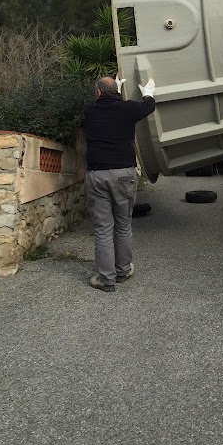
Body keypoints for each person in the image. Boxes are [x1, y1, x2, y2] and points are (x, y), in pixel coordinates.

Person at [84, 75, 156, 292]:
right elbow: (148, 106)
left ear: (97, 92)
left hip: (98, 176)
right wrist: (148, 92)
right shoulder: (128, 110)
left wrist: (115, 91)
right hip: (124, 174)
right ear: (117, 92)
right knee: (123, 225)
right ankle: (123, 271)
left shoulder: (89, 111)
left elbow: (106, 106)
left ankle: (106, 279)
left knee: (104, 228)